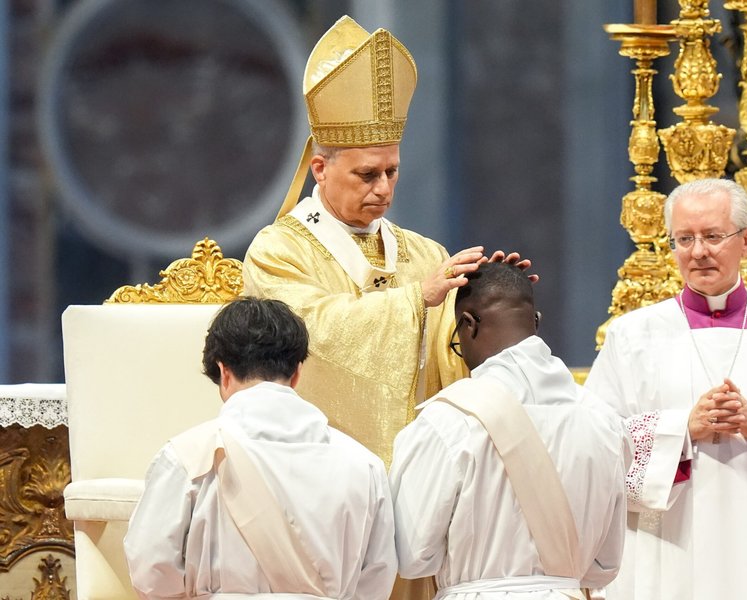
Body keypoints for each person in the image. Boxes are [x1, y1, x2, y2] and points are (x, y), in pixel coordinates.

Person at [242, 15, 532, 468]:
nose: (383, 188)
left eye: (391, 172)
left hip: (426, 468)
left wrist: (491, 297)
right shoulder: (278, 252)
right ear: (320, 169)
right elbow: (309, 333)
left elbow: (451, 359)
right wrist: (416, 299)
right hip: (316, 467)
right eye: (367, 175)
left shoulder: (426, 255)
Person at [585, 177, 747, 600]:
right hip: (666, 544)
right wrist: (680, 429)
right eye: (684, 239)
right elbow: (593, 443)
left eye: (713, 236)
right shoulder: (631, 335)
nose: (698, 251)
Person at [123, 297, 397, 600]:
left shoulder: (188, 457)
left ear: (223, 372)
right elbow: (378, 578)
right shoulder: (364, 465)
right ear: (296, 373)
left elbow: (150, 570)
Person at [389, 262, 628, 600]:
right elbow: (605, 564)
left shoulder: (449, 419)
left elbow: (412, 556)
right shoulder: (602, 418)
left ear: (468, 325)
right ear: (536, 322)